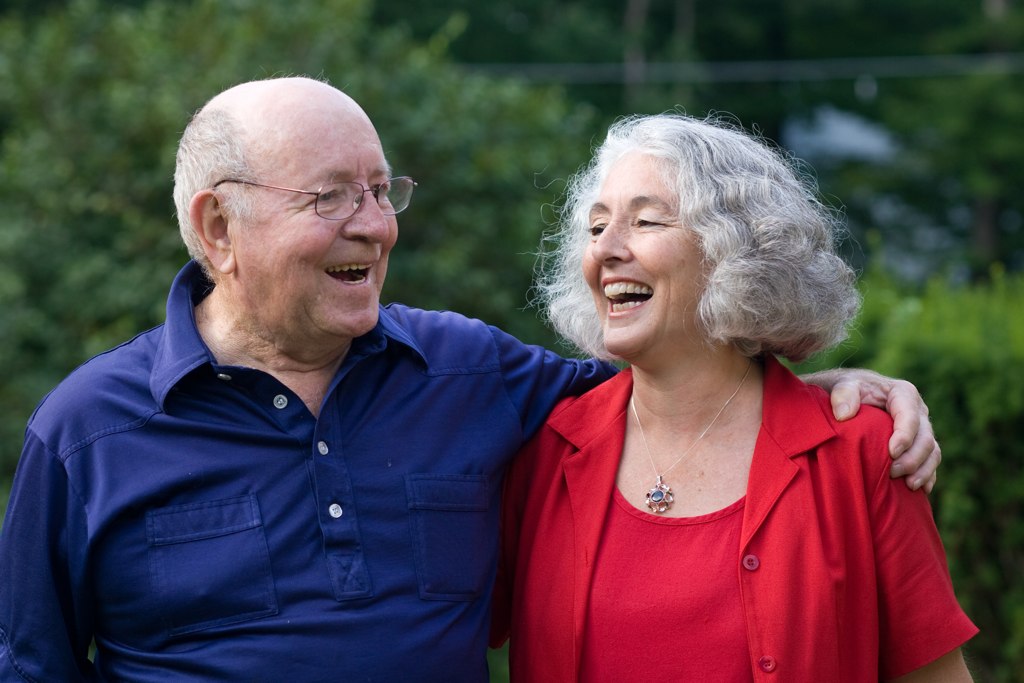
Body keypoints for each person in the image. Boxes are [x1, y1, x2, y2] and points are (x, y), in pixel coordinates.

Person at [0, 78, 937, 682]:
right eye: (330, 197)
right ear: (217, 230)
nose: (374, 225)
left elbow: (682, 379)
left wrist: (821, 386)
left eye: (381, 191)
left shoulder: (471, 371)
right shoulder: (85, 430)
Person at [491, 114, 977, 681]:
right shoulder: (543, 452)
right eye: (597, 229)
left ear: (733, 253)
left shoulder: (862, 455)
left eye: (645, 221)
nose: (606, 250)